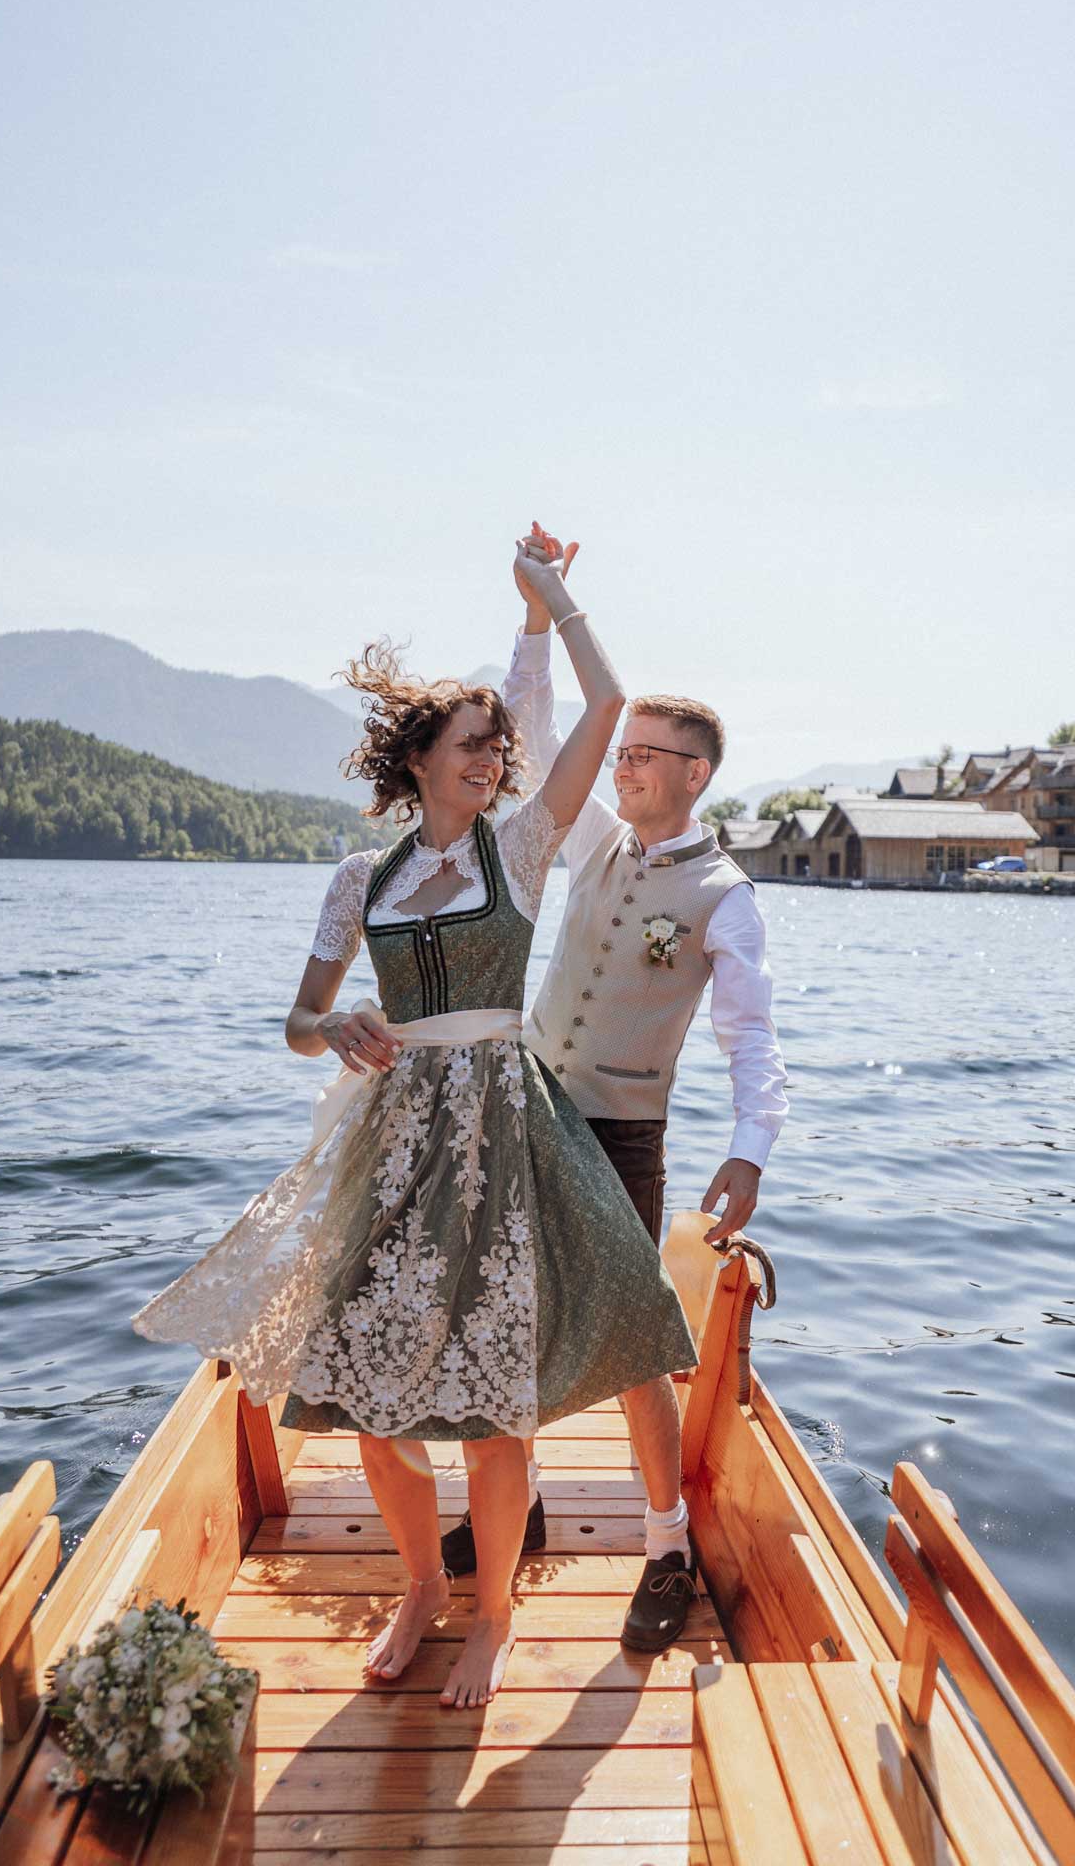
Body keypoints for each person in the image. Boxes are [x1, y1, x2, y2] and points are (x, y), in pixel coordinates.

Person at [133, 532, 697, 1710]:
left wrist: (553, 600)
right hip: (392, 1138)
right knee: (363, 1402)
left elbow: (604, 705)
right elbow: (298, 1020)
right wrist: (333, 1023)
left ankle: (492, 1616)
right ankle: (422, 1587)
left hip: (503, 1130)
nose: (493, 757)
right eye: (472, 743)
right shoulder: (362, 877)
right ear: (422, 760)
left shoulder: (523, 847)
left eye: (499, 744)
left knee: (493, 1408)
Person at [440, 526, 787, 1655]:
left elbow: (750, 1037)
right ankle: (522, 1504)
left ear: (694, 774)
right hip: (526, 1105)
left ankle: (665, 1546)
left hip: (625, 1134)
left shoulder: (726, 896)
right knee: (504, 1307)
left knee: (639, 1349)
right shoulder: (588, 839)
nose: (623, 765)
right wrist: (536, 619)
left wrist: (749, 1148)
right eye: (623, 750)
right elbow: (539, 731)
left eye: (645, 754)